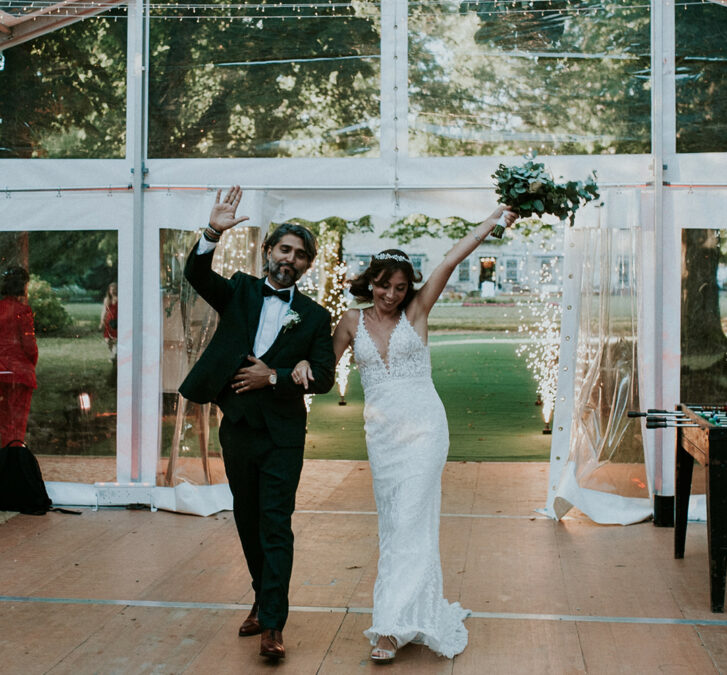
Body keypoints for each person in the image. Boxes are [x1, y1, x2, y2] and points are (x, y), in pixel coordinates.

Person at [292, 204, 518, 664]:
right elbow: (322, 371)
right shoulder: (352, 322)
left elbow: (451, 259)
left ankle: (389, 628)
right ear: (370, 281)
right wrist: (296, 367)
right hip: (383, 436)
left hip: (425, 429)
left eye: (399, 287)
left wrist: (495, 221)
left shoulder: (418, 309)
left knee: (413, 517)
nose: (390, 295)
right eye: (383, 285)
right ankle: (409, 611)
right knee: (396, 523)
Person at [179, 186, 335, 661]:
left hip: (284, 436)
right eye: (285, 249)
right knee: (247, 521)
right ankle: (261, 596)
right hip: (239, 430)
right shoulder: (241, 291)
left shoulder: (314, 316)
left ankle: (273, 625)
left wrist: (278, 376)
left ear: (307, 266)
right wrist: (212, 231)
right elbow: (195, 272)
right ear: (269, 251)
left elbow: (324, 377)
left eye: (301, 255)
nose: (291, 259)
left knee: (275, 525)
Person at [0, 266, 38, 446]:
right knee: (15, 425)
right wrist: (30, 365)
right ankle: (12, 463)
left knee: (3, 421)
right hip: (19, 372)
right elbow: (30, 347)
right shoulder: (22, 310)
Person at [99, 281, 118, 363]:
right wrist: (101, 321)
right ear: (109, 291)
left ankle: (114, 355)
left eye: (114, 289)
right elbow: (104, 311)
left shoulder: (119, 299)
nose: (112, 291)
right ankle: (113, 353)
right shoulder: (106, 300)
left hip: (116, 321)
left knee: (115, 339)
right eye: (111, 290)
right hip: (108, 322)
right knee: (107, 340)